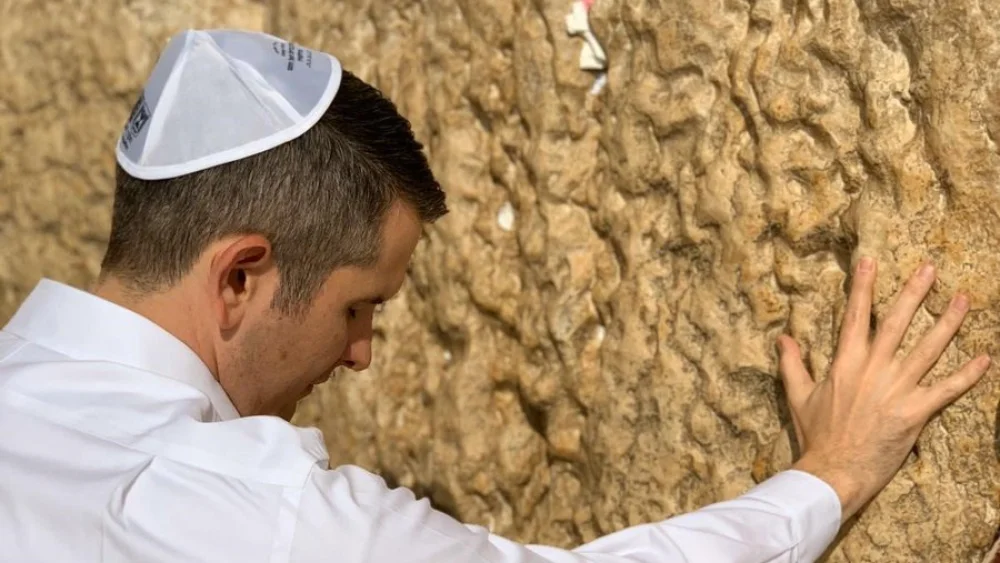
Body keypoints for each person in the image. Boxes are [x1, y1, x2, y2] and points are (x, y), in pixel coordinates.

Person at [0, 28, 990, 563]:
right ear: (241, 277)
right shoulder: (242, 510)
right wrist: (831, 474)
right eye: (359, 307)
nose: (360, 355)